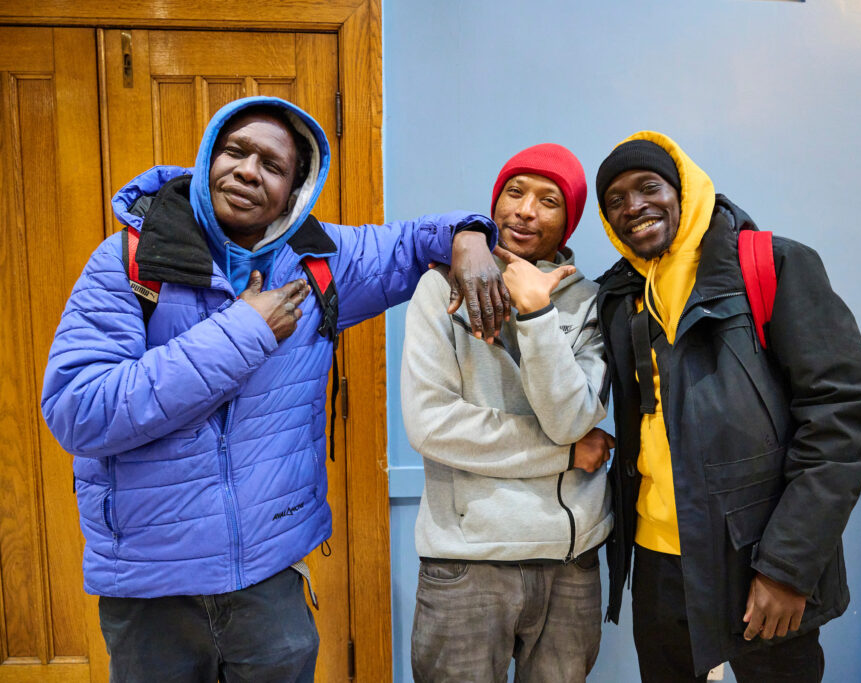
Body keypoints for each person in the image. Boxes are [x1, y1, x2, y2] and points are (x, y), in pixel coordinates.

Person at [40, 96, 510, 683]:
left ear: (295, 190)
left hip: (269, 583)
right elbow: (79, 409)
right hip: (153, 592)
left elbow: (415, 243)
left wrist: (469, 236)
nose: (247, 170)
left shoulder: (315, 261)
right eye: (235, 151)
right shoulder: (129, 262)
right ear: (210, 155)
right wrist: (245, 331)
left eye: (271, 164)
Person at [593, 131, 861, 682]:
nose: (634, 207)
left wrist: (787, 569)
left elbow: (842, 420)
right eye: (616, 201)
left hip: (758, 560)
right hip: (657, 565)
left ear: (683, 190)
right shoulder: (620, 295)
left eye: (648, 187)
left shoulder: (774, 264)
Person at [400, 143, 614, 682]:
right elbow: (433, 423)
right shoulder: (438, 288)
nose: (525, 210)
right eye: (514, 192)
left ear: (569, 221)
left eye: (548, 200)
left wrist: (537, 313)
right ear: (494, 203)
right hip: (468, 561)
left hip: (570, 565)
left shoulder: (591, 301)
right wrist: (564, 454)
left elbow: (572, 416)